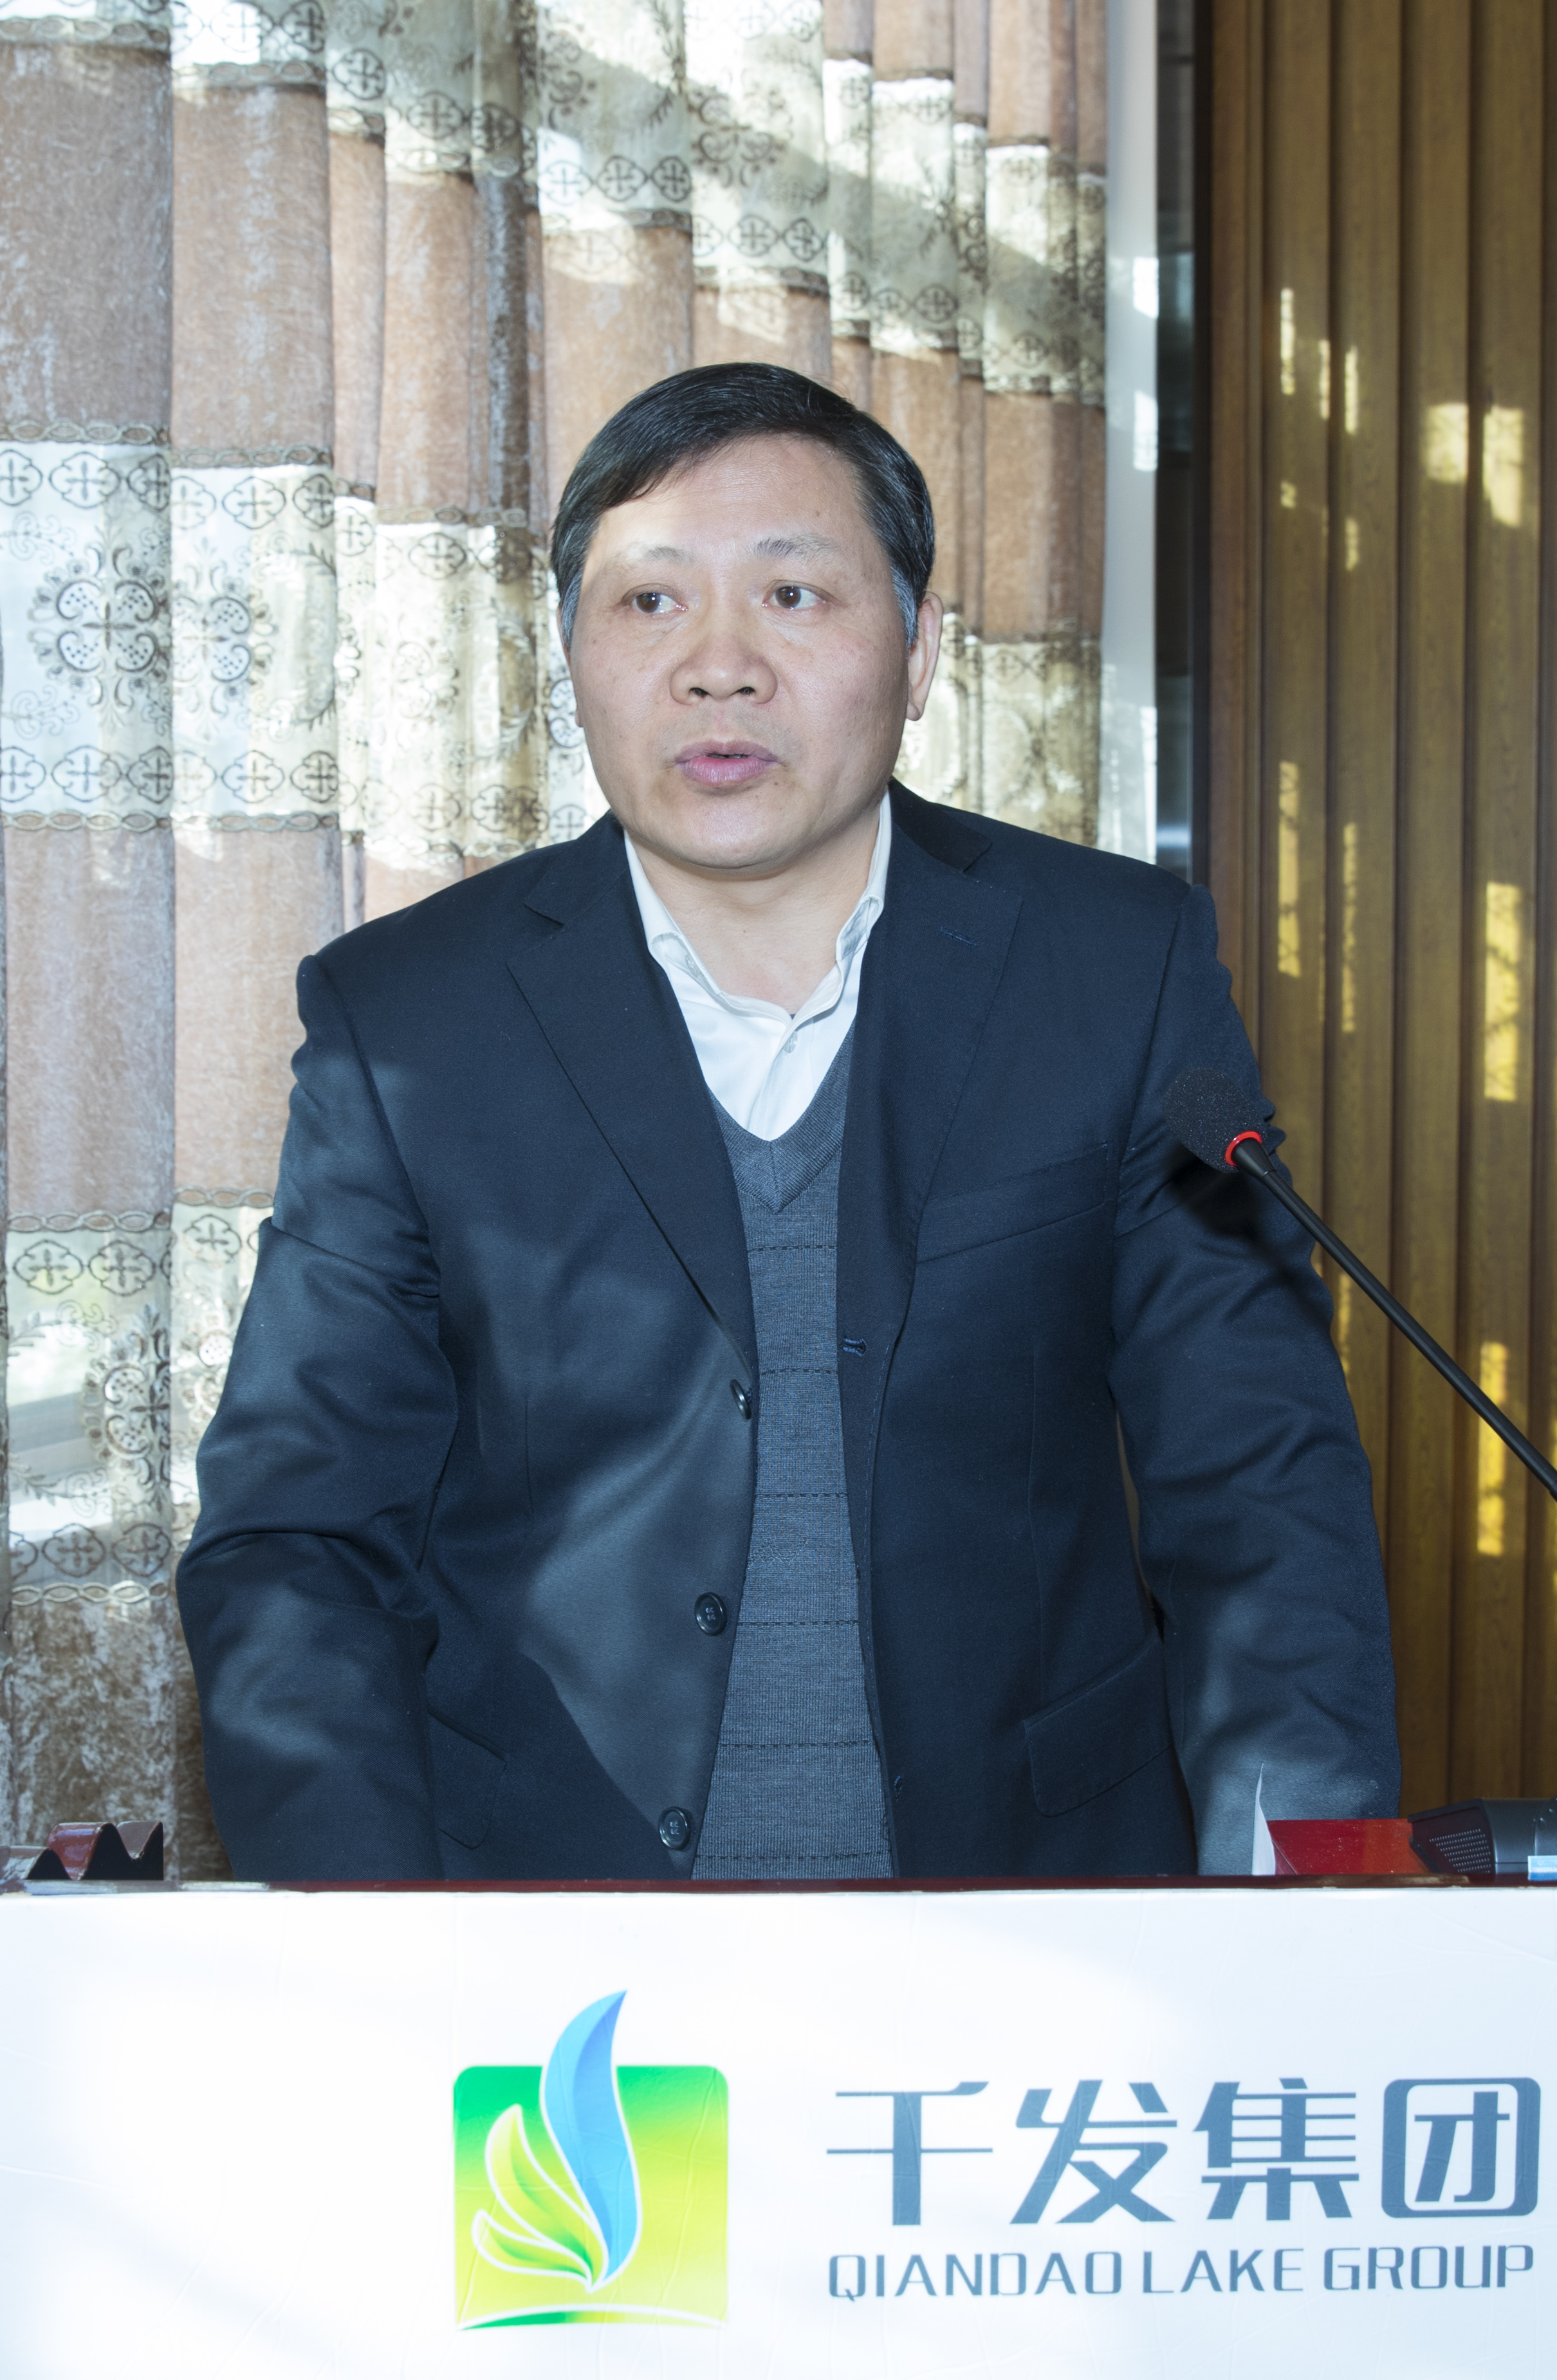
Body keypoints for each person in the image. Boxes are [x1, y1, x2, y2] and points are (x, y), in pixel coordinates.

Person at [178, 362, 1398, 1883]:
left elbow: (1260, 1489)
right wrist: (382, 1947)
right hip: (553, 1931)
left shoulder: (1109, 967)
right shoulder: (412, 1020)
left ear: (919, 648)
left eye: (793, 595)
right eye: (649, 602)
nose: (718, 667)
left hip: (1040, 1915)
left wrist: (1296, 1910)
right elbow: (300, 1540)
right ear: (571, 659)